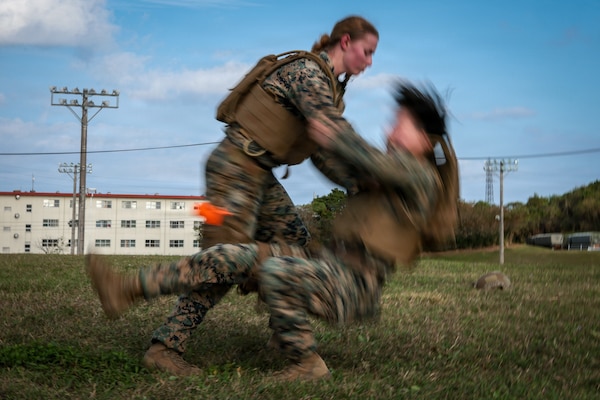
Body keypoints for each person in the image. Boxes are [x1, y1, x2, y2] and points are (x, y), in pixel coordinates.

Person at [88, 81, 460, 381]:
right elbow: (336, 163)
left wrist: (330, 126)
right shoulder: (382, 171)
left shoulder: (421, 176)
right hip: (326, 264)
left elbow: (362, 156)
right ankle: (126, 290)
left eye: (401, 124)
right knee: (231, 255)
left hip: (354, 285)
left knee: (277, 270)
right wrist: (302, 124)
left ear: (425, 140)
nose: (390, 129)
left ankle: (307, 363)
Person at [141, 15, 380, 375]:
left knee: (293, 241)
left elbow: (320, 151)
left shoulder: (329, 86)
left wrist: (357, 185)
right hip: (234, 167)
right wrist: (384, 172)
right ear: (345, 42)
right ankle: (164, 347)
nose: (370, 62)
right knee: (224, 264)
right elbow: (331, 128)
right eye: (368, 51)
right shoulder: (308, 72)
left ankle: (285, 334)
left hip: (258, 174)